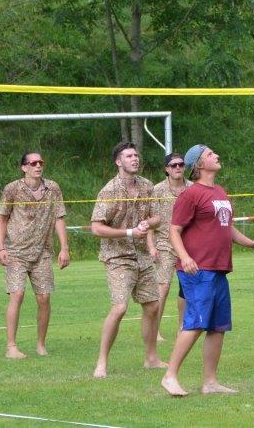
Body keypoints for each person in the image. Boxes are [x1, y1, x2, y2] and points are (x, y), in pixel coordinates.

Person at [161, 143, 254, 397]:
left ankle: (210, 382)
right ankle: (170, 375)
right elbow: (174, 231)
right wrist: (184, 257)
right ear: (199, 164)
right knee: (197, 322)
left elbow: (226, 227)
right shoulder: (190, 194)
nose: (216, 155)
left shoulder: (220, 192)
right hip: (198, 269)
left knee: (218, 326)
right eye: (210, 154)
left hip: (218, 268)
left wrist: (249, 242)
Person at [90, 141, 164, 378]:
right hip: (117, 257)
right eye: (129, 156)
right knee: (120, 308)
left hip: (142, 255)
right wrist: (129, 232)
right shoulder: (108, 191)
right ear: (118, 161)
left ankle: (151, 358)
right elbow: (96, 228)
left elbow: (157, 218)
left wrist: (147, 223)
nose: (135, 159)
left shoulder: (147, 186)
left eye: (136, 155)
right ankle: (102, 362)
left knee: (152, 306)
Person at [0, 152, 70, 358]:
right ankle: (11, 347)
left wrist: (64, 248)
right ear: (24, 167)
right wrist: (1, 248)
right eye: (33, 163)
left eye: (40, 162)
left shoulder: (53, 188)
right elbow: (2, 220)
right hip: (16, 252)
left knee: (44, 298)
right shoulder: (12, 189)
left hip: (43, 252)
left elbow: (59, 218)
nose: (38, 166)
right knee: (17, 294)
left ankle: (40, 344)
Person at [153, 152, 191, 342]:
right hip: (164, 243)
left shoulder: (192, 188)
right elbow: (150, 219)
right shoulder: (157, 190)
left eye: (180, 164)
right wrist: (151, 246)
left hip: (188, 244)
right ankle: (154, 330)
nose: (178, 168)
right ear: (167, 169)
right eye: (173, 165)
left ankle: (182, 328)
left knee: (186, 288)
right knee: (163, 287)